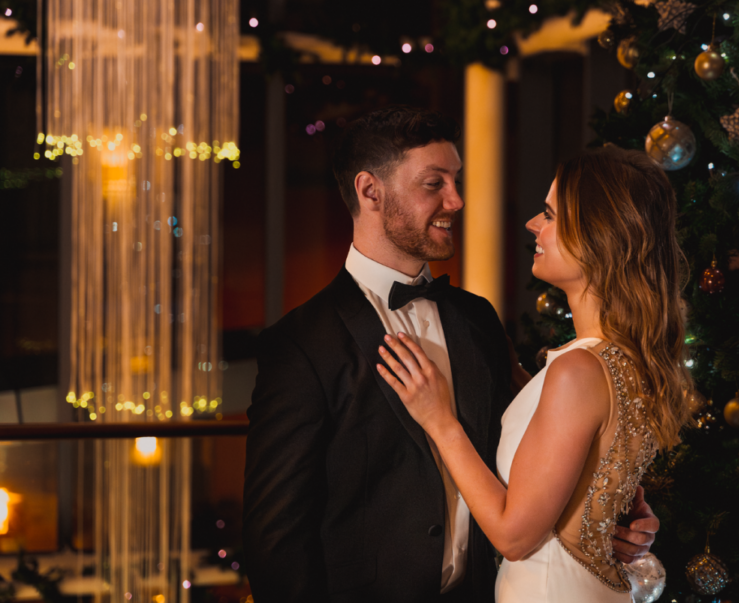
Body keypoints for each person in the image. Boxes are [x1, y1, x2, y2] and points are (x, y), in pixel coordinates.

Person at [243, 107, 660, 603]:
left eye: (456, 180)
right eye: (433, 183)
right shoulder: (301, 344)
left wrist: (606, 509)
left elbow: (542, 450)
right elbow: (276, 540)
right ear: (370, 191)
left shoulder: (476, 319)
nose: (456, 200)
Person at [375, 146, 695, 602]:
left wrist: (439, 420)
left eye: (550, 214)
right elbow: (576, 447)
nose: (532, 224)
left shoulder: (578, 370)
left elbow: (513, 537)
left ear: (596, 236)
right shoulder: (625, 357)